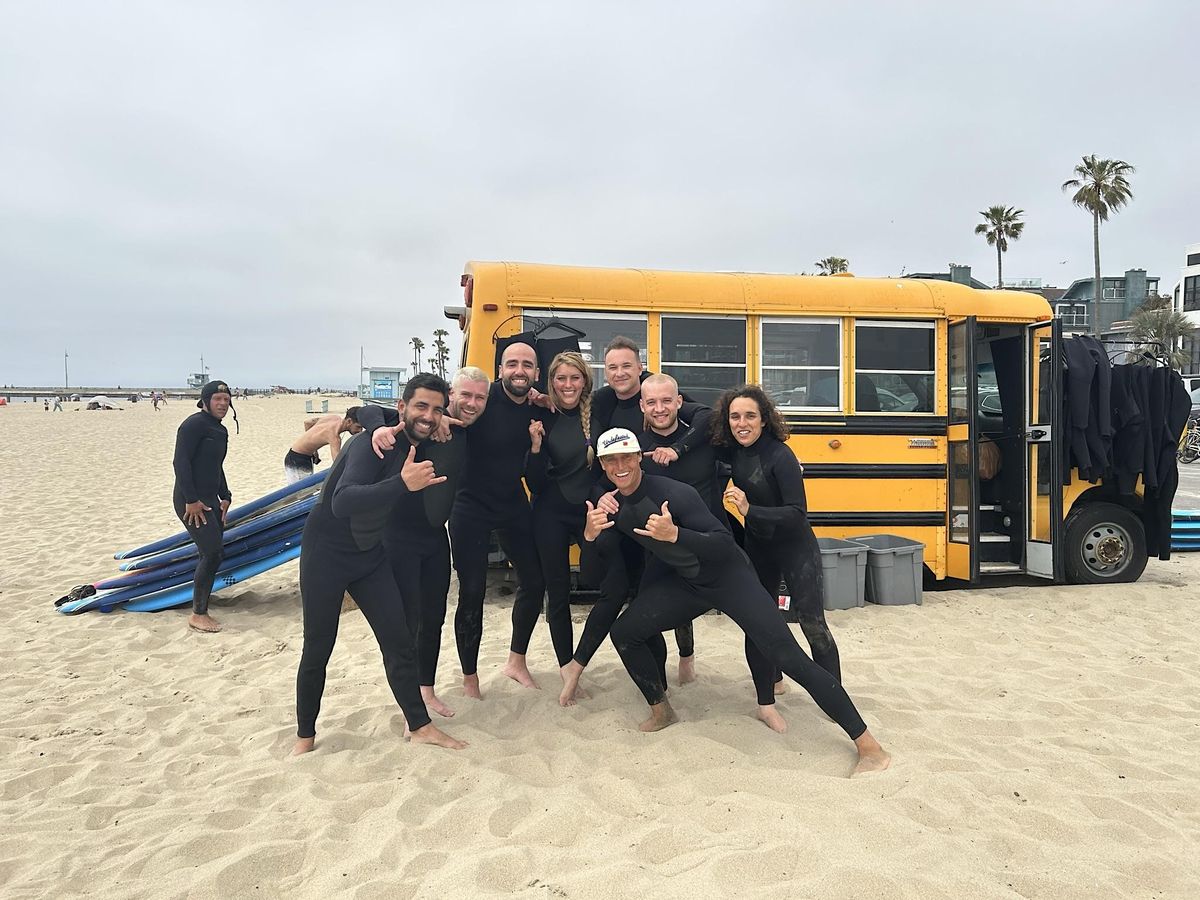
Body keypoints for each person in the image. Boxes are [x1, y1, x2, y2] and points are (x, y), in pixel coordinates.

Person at [585, 427, 890, 776]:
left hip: (730, 579)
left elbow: (723, 543)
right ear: (604, 465)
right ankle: (661, 710)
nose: (620, 466)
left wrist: (676, 534)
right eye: (611, 460)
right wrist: (590, 536)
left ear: (640, 457)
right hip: (688, 585)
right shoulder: (611, 505)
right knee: (625, 632)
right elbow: (597, 571)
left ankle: (870, 746)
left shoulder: (675, 494)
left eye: (627, 457)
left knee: (788, 656)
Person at [293, 373, 466, 755]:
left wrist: (444, 424)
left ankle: (419, 726)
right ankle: (305, 738)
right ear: (402, 408)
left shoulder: (412, 437)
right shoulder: (372, 444)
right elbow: (343, 501)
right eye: (421, 406)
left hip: (370, 555)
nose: (429, 416)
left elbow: (369, 410)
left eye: (437, 410)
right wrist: (403, 484)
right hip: (327, 555)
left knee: (399, 640)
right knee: (319, 646)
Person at [360, 366, 491, 719]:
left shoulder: (462, 427)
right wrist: (378, 428)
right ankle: (410, 707)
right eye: (465, 395)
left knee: (433, 618)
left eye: (480, 397)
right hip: (398, 536)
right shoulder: (421, 420)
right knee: (407, 621)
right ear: (451, 395)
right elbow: (362, 411)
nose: (472, 403)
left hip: (435, 537)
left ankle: (426, 692)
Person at [713, 385, 842, 734]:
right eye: (735, 416)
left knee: (812, 622)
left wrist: (749, 509)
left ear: (764, 419)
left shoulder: (780, 455)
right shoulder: (729, 451)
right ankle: (770, 687)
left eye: (750, 416)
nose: (742, 423)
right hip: (759, 547)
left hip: (795, 547)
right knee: (760, 621)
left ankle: (833, 697)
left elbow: (797, 514)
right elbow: (694, 420)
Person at [588, 337, 710, 681]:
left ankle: (686, 657)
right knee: (645, 593)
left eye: (627, 365)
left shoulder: (659, 394)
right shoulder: (603, 400)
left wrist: (678, 448)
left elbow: (705, 416)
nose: (620, 372)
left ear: (641, 368)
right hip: (633, 512)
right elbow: (599, 457)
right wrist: (602, 495)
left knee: (683, 584)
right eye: (612, 367)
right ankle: (656, 671)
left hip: (673, 511)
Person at [448, 341, 551, 696]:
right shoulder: (482, 397)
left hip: (510, 501)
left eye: (527, 365)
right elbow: (444, 409)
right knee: (472, 591)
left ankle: (515, 661)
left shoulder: (536, 407)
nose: (519, 370)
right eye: (512, 364)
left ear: (536, 373)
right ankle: (470, 678)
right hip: (469, 505)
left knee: (535, 582)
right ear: (500, 369)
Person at [524, 352, 596, 701]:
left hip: (587, 513)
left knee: (607, 581)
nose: (567, 385)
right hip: (549, 512)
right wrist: (536, 448)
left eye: (574, 378)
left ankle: (584, 658)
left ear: (585, 381)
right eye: (560, 379)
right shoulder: (541, 414)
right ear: (550, 381)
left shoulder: (599, 411)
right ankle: (567, 665)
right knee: (558, 592)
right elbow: (535, 483)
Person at [172, 380, 235, 633]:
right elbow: (180, 463)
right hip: (191, 502)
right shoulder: (193, 425)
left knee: (209, 553)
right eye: (217, 399)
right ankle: (198, 614)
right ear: (206, 401)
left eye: (226, 400)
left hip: (210, 500)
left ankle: (202, 601)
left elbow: (215, 466)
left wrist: (225, 496)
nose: (222, 404)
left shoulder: (220, 430)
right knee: (212, 553)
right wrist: (191, 500)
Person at [284, 407, 364, 484]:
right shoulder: (334, 438)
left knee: (304, 491)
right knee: (301, 493)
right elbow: (337, 464)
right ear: (349, 421)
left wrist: (313, 450)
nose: (360, 431)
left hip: (299, 455)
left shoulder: (333, 418)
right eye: (358, 427)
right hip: (297, 460)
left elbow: (308, 422)